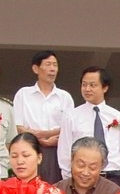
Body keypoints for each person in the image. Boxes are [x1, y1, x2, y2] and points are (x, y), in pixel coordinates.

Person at [57, 67, 120, 189]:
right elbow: (65, 152)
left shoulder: (118, 116)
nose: (87, 89)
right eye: (84, 85)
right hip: (83, 178)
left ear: (105, 88)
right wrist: (70, 181)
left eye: (92, 85)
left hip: (113, 177)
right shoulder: (71, 116)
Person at [13, 50, 74, 184]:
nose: (52, 69)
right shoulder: (23, 94)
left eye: (55, 65)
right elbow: (18, 126)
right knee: (29, 186)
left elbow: (69, 128)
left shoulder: (65, 97)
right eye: (48, 64)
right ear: (36, 68)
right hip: (29, 149)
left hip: (56, 150)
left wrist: (47, 135)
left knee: (55, 187)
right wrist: (39, 138)